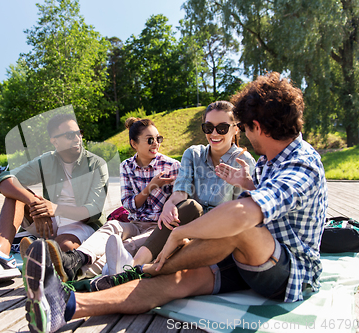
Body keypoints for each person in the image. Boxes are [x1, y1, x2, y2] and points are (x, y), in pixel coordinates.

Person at [22, 71, 328, 333]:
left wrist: (180, 235)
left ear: (257, 126)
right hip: (250, 257)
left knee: (237, 226)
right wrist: (247, 183)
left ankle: (143, 269)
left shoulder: (303, 164)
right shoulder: (266, 162)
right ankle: (68, 304)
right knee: (179, 281)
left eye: (244, 128)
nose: (245, 136)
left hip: (291, 273)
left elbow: (245, 215)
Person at [98, 101, 255, 281]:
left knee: (187, 215)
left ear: (235, 129)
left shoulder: (243, 161)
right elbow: (181, 192)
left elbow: (244, 212)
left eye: (222, 128)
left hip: (219, 229)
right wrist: (169, 205)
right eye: (209, 127)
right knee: (188, 207)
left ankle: (132, 267)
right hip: (188, 222)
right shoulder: (193, 154)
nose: (214, 133)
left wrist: (246, 183)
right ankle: (133, 268)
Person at [0, 113, 109, 286]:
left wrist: (55, 209)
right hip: (49, 219)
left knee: (64, 248)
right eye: (70, 135)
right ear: (55, 141)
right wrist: (34, 202)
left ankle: (25, 244)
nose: (78, 138)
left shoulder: (97, 164)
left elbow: (93, 210)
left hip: (82, 224)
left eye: (79, 133)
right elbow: (5, 179)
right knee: (15, 194)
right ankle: (1, 255)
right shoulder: (48, 160)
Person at [42, 118, 181, 282]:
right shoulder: (126, 166)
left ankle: (79, 273)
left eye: (158, 139)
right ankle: (77, 258)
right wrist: (150, 187)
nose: (156, 144)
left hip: (158, 228)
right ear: (134, 144)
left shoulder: (172, 166)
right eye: (150, 140)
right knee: (112, 226)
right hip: (135, 222)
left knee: (125, 245)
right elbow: (129, 205)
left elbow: (181, 201)